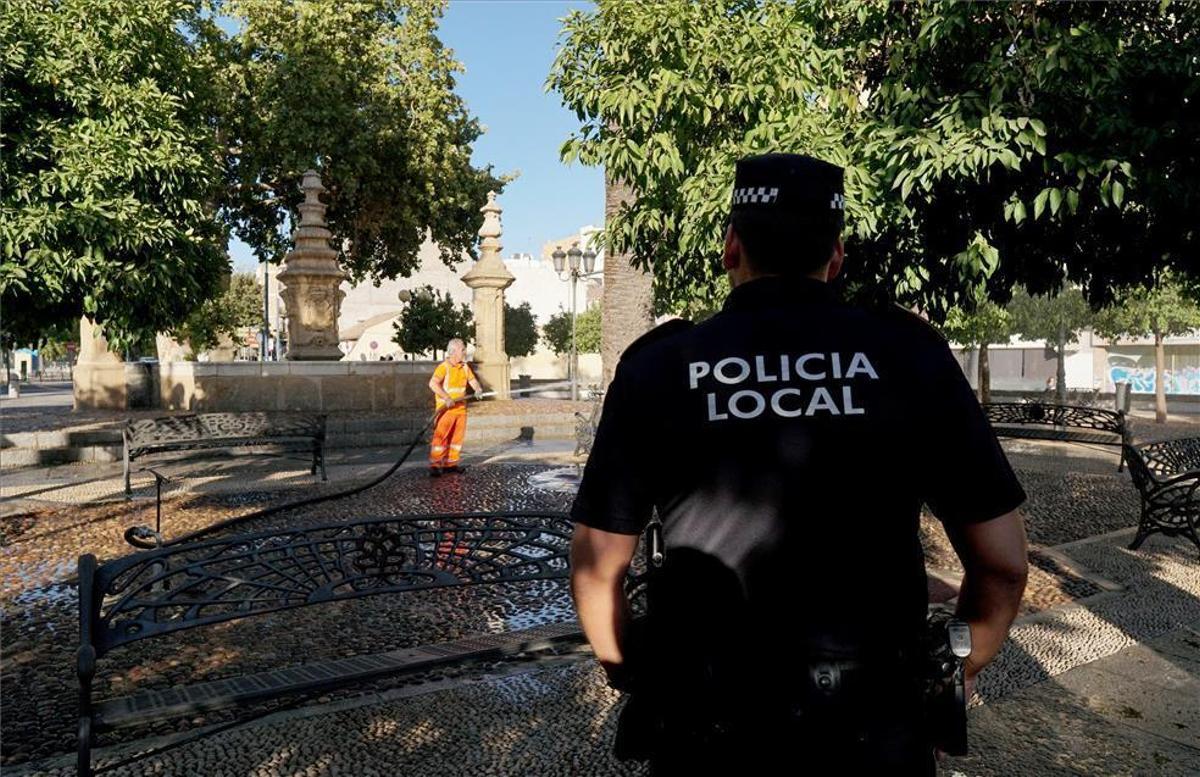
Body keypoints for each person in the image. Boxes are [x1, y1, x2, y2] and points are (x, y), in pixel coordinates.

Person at [569, 153, 1029, 774]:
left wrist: (629, 671)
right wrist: (951, 671)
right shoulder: (909, 355)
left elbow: (597, 569)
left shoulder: (659, 365)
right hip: (875, 727)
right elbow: (1002, 565)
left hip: (708, 730)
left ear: (732, 247)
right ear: (836, 256)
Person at [428, 338, 482, 477]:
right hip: (446, 410)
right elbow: (433, 384)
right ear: (453, 351)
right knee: (441, 438)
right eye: (462, 349)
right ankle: (435, 465)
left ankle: (450, 464)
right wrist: (446, 398)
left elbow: (472, 380)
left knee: (456, 439)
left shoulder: (464, 367)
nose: (465, 351)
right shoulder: (444, 367)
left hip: (460, 409)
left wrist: (477, 389)